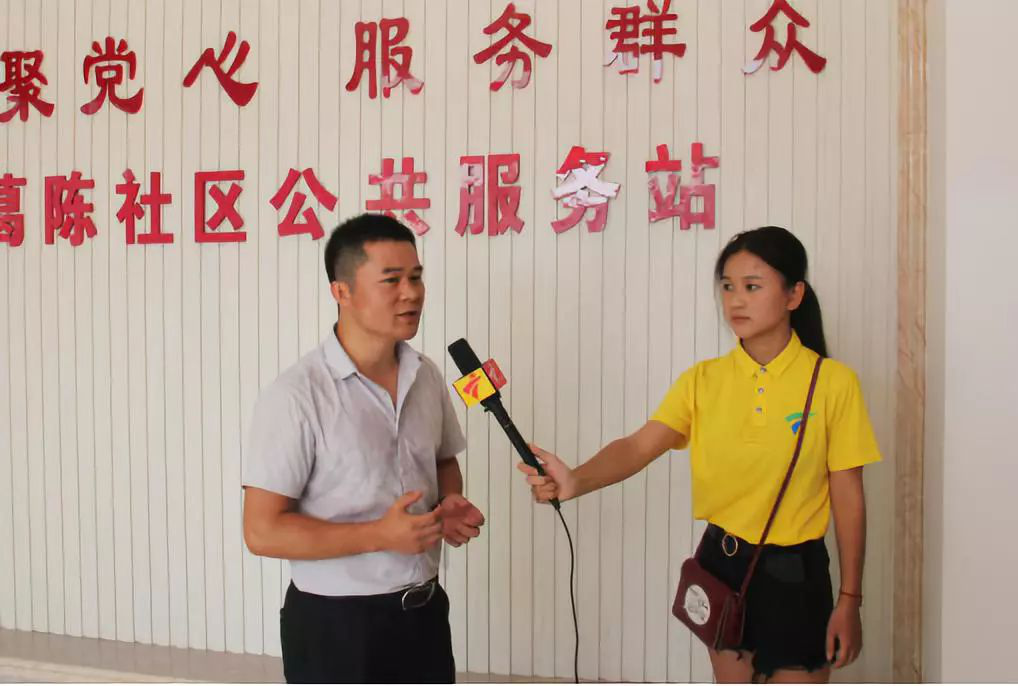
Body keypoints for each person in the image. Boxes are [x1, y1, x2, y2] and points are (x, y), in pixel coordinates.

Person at [518, 226, 881, 683]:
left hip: (797, 577)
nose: (736, 300)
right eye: (727, 287)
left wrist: (850, 599)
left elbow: (848, 497)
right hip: (723, 566)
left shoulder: (833, 383)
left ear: (794, 295)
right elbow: (638, 445)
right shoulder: (702, 381)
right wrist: (577, 479)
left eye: (752, 286)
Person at [242, 213, 484, 684]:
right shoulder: (297, 396)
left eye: (416, 277)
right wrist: (380, 535)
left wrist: (448, 501)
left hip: (425, 616)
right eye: (391, 280)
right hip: (337, 628)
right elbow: (262, 531)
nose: (411, 293)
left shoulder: (426, 375)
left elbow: (442, 459)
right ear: (342, 292)